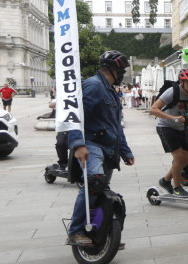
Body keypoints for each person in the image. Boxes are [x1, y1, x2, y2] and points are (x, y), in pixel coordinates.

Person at [66, 50, 135, 246]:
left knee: (101, 191)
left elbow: (116, 126)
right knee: (94, 183)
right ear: (113, 69)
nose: (122, 75)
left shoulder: (111, 92)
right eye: (121, 70)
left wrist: (125, 152)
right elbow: (74, 117)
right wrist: (78, 145)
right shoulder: (93, 86)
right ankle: (76, 231)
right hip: (92, 144)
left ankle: (102, 233)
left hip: (109, 149)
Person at [149, 68, 188, 197]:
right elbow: (153, 109)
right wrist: (173, 118)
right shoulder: (171, 92)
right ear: (181, 81)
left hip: (181, 128)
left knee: (185, 159)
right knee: (179, 157)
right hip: (166, 127)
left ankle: (165, 180)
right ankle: (177, 188)